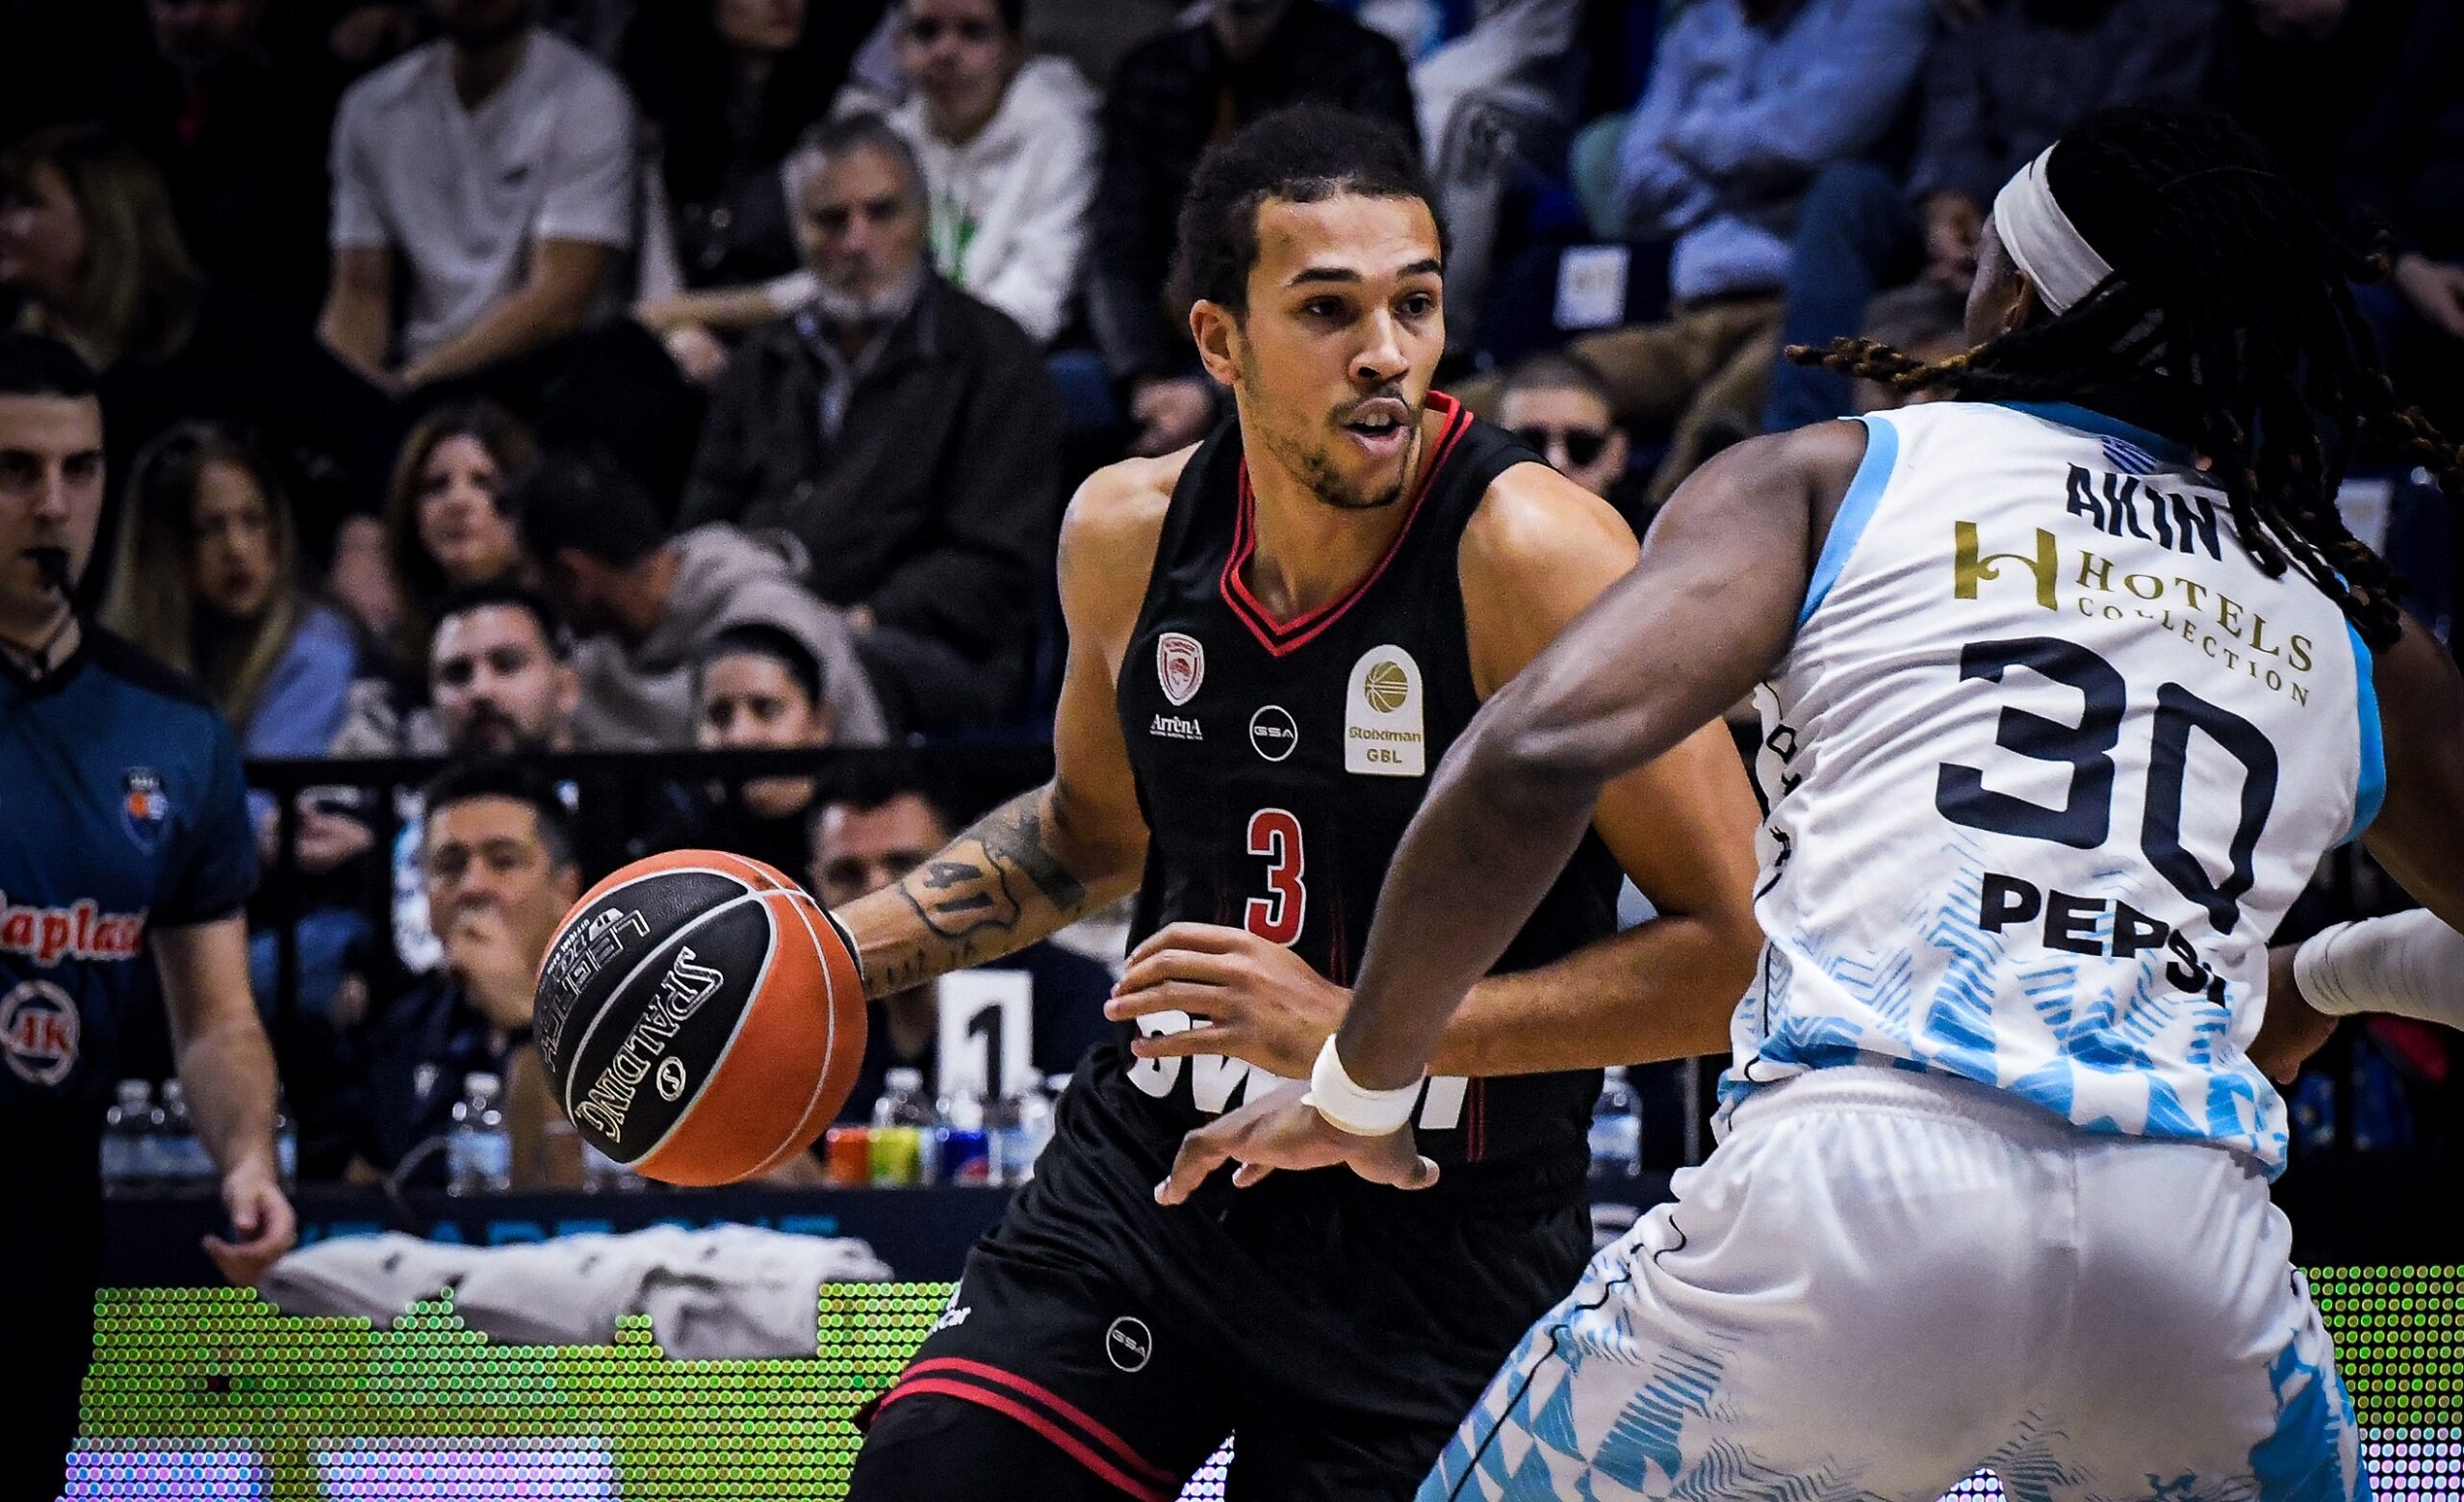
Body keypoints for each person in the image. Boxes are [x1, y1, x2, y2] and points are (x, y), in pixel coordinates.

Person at [1164, 104, 2464, 1501]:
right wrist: (2336, 970)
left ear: (2015, 300)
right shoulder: (2344, 608)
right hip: (2190, 1256)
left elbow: (1531, 757)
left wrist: (1363, 1087)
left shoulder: (1844, 477)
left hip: (1856, 1195)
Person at [818, 105, 1762, 1500]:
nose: (1386, 352)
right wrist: (829, 958)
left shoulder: (1535, 555)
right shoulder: (1128, 533)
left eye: (1415, 304)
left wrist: (1360, 1039)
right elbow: (1089, 838)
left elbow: (1740, 955)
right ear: (1220, 340)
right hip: (1152, 1183)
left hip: (1439, 1237)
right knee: (933, 1485)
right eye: (1328, 310)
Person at [0, 332, 295, 1502]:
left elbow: (215, 1018)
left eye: (79, 470)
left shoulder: (172, 730)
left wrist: (248, 1157)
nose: (52, 505)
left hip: (45, 1210)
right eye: (15, 470)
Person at [676, 115, 1063, 733]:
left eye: (881, 213)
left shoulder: (994, 357)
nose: (857, 241)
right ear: (797, 232)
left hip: (930, 652)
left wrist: (858, 619)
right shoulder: (761, 361)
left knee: (788, 688)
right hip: (759, 629)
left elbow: (997, 562)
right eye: (830, 220)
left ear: (922, 218)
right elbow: (705, 524)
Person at [1757, 0, 2218, 436]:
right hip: (1975, 220)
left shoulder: (2172, 20)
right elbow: (1952, 121)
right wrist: (1944, 202)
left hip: (2078, 232)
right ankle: (1801, 430)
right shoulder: (1987, 19)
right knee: (1846, 193)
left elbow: (2119, 158)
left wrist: (2005, 238)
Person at [0, 125, 398, 583]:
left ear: (104, 217)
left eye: (27, 204)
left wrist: (362, 541)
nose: (3, 224)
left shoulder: (226, 334)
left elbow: (379, 427)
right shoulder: (16, 363)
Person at [1090, 0, 1418, 458]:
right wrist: (1145, 379)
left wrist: (1215, 391)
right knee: (1058, 392)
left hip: (1310, 337)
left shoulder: (1359, 64)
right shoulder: (1151, 70)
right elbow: (1117, 245)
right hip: (1164, 348)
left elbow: (1371, 246)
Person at [319, 0, 637, 393]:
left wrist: (414, 385)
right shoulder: (373, 107)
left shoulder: (588, 98)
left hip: (546, 381)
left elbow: (561, 297)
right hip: (418, 376)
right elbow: (361, 290)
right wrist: (341, 392)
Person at [517, 446, 891, 749]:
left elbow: (869, 773)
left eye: (535, 572)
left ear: (572, 572)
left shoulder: (779, 622)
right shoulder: (585, 669)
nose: (531, 587)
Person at [808, 778, 1114, 1126]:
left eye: (907, 865)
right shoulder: (797, 1011)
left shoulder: (1072, 994)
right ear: (815, 883)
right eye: (846, 874)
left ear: (965, 868)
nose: (879, 893)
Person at [333, 757, 580, 1185]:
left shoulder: (621, 1020)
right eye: (449, 866)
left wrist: (526, 1024)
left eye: (503, 861)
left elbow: (571, 1201)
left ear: (566, 890)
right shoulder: (400, 1033)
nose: (472, 886)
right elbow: (364, 1203)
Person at [102, 422, 360, 770]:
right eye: (209, 528)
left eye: (253, 520)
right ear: (163, 549)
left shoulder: (316, 648)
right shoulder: (117, 666)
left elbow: (264, 794)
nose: (236, 548)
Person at [886, 0, 1099, 349]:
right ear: (898, 46)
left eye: (972, 31)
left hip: (1010, 359)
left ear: (1013, 48)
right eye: (926, 32)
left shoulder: (1060, 133)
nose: (945, 52)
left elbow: (1034, 299)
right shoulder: (890, 139)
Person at [640, 623, 843, 876]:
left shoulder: (867, 832)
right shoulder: (678, 858)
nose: (740, 736)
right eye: (719, 714)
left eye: (766, 709)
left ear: (820, 721)